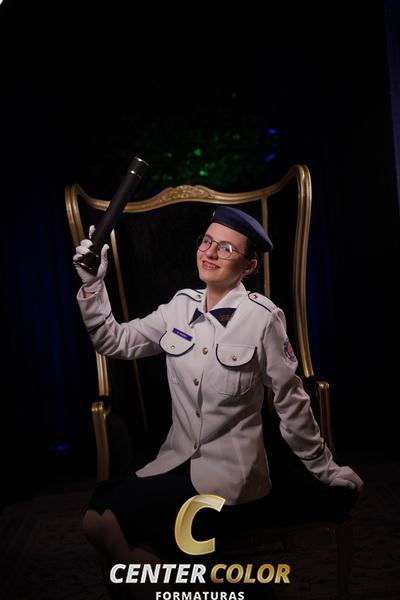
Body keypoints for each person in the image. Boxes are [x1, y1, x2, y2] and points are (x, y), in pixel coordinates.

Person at [73, 206, 364, 597]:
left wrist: (326, 469)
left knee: (110, 526)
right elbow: (113, 341)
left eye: (226, 248)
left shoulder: (263, 318)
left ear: (249, 267)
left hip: (229, 476)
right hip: (176, 460)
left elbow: (291, 402)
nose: (210, 253)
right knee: (94, 524)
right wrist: (93, 284)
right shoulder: (179, 307)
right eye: (207, 241)